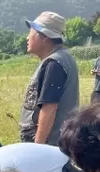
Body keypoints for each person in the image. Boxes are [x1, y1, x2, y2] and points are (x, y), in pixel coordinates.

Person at [20, 11, 79, 145]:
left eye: (31, 32)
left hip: (50, 142)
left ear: (44, 36)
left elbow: (49, 107)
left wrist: (38, 145)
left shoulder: (54, 63)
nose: (27, 38)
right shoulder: (62, 58)